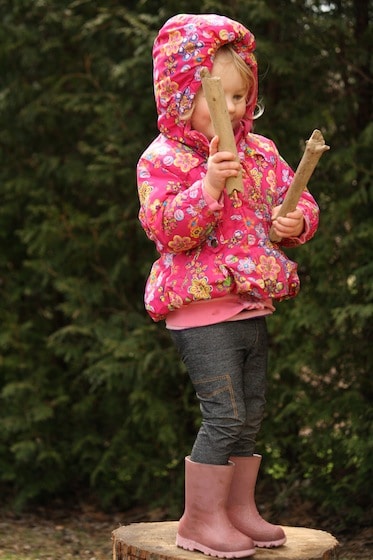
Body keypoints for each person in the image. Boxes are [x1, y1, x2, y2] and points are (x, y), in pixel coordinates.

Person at [137, 13, 319, 559]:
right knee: (224, 414)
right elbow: (168, 229)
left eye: (244, 97)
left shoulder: (261, 153)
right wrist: (210, 182)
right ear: (180, 94)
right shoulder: (166, 159)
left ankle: (237, 511)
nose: (235, 109)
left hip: (250, 305)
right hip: (200, 310)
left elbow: (296, 201)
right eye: (220, 96)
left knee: (252, 411)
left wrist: (296, 221)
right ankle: (200, 520)